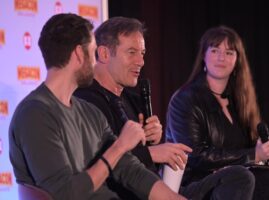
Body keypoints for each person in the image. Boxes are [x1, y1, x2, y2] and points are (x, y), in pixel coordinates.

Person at [74, 17, 256, 200]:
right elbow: (100, 161)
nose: (141, 61)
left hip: (157, 187)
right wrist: (152, 153)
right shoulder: (86, 100)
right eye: (131, 52)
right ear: (104, 54)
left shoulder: (132, 99)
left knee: (240, 177)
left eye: (142, 53)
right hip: (124, 193)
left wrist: (153, 141)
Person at [9, 13, 186, 200]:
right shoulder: (35, 114)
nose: (95, 62)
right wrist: (119, 147)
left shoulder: (88, 112)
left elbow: (130, 170)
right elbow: (64, 194)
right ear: (79, 54)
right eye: (92, 51)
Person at [166, 25, 269, 199]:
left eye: (229, 52)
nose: (222, 57)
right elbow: (195, 157)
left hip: (241, 181)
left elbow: (248, 153)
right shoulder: (185, 99)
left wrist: (262, 154)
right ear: (203, 56)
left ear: (237, 60)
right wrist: (253, 154)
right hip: (198, 184)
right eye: (215, 50)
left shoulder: (240, 102)